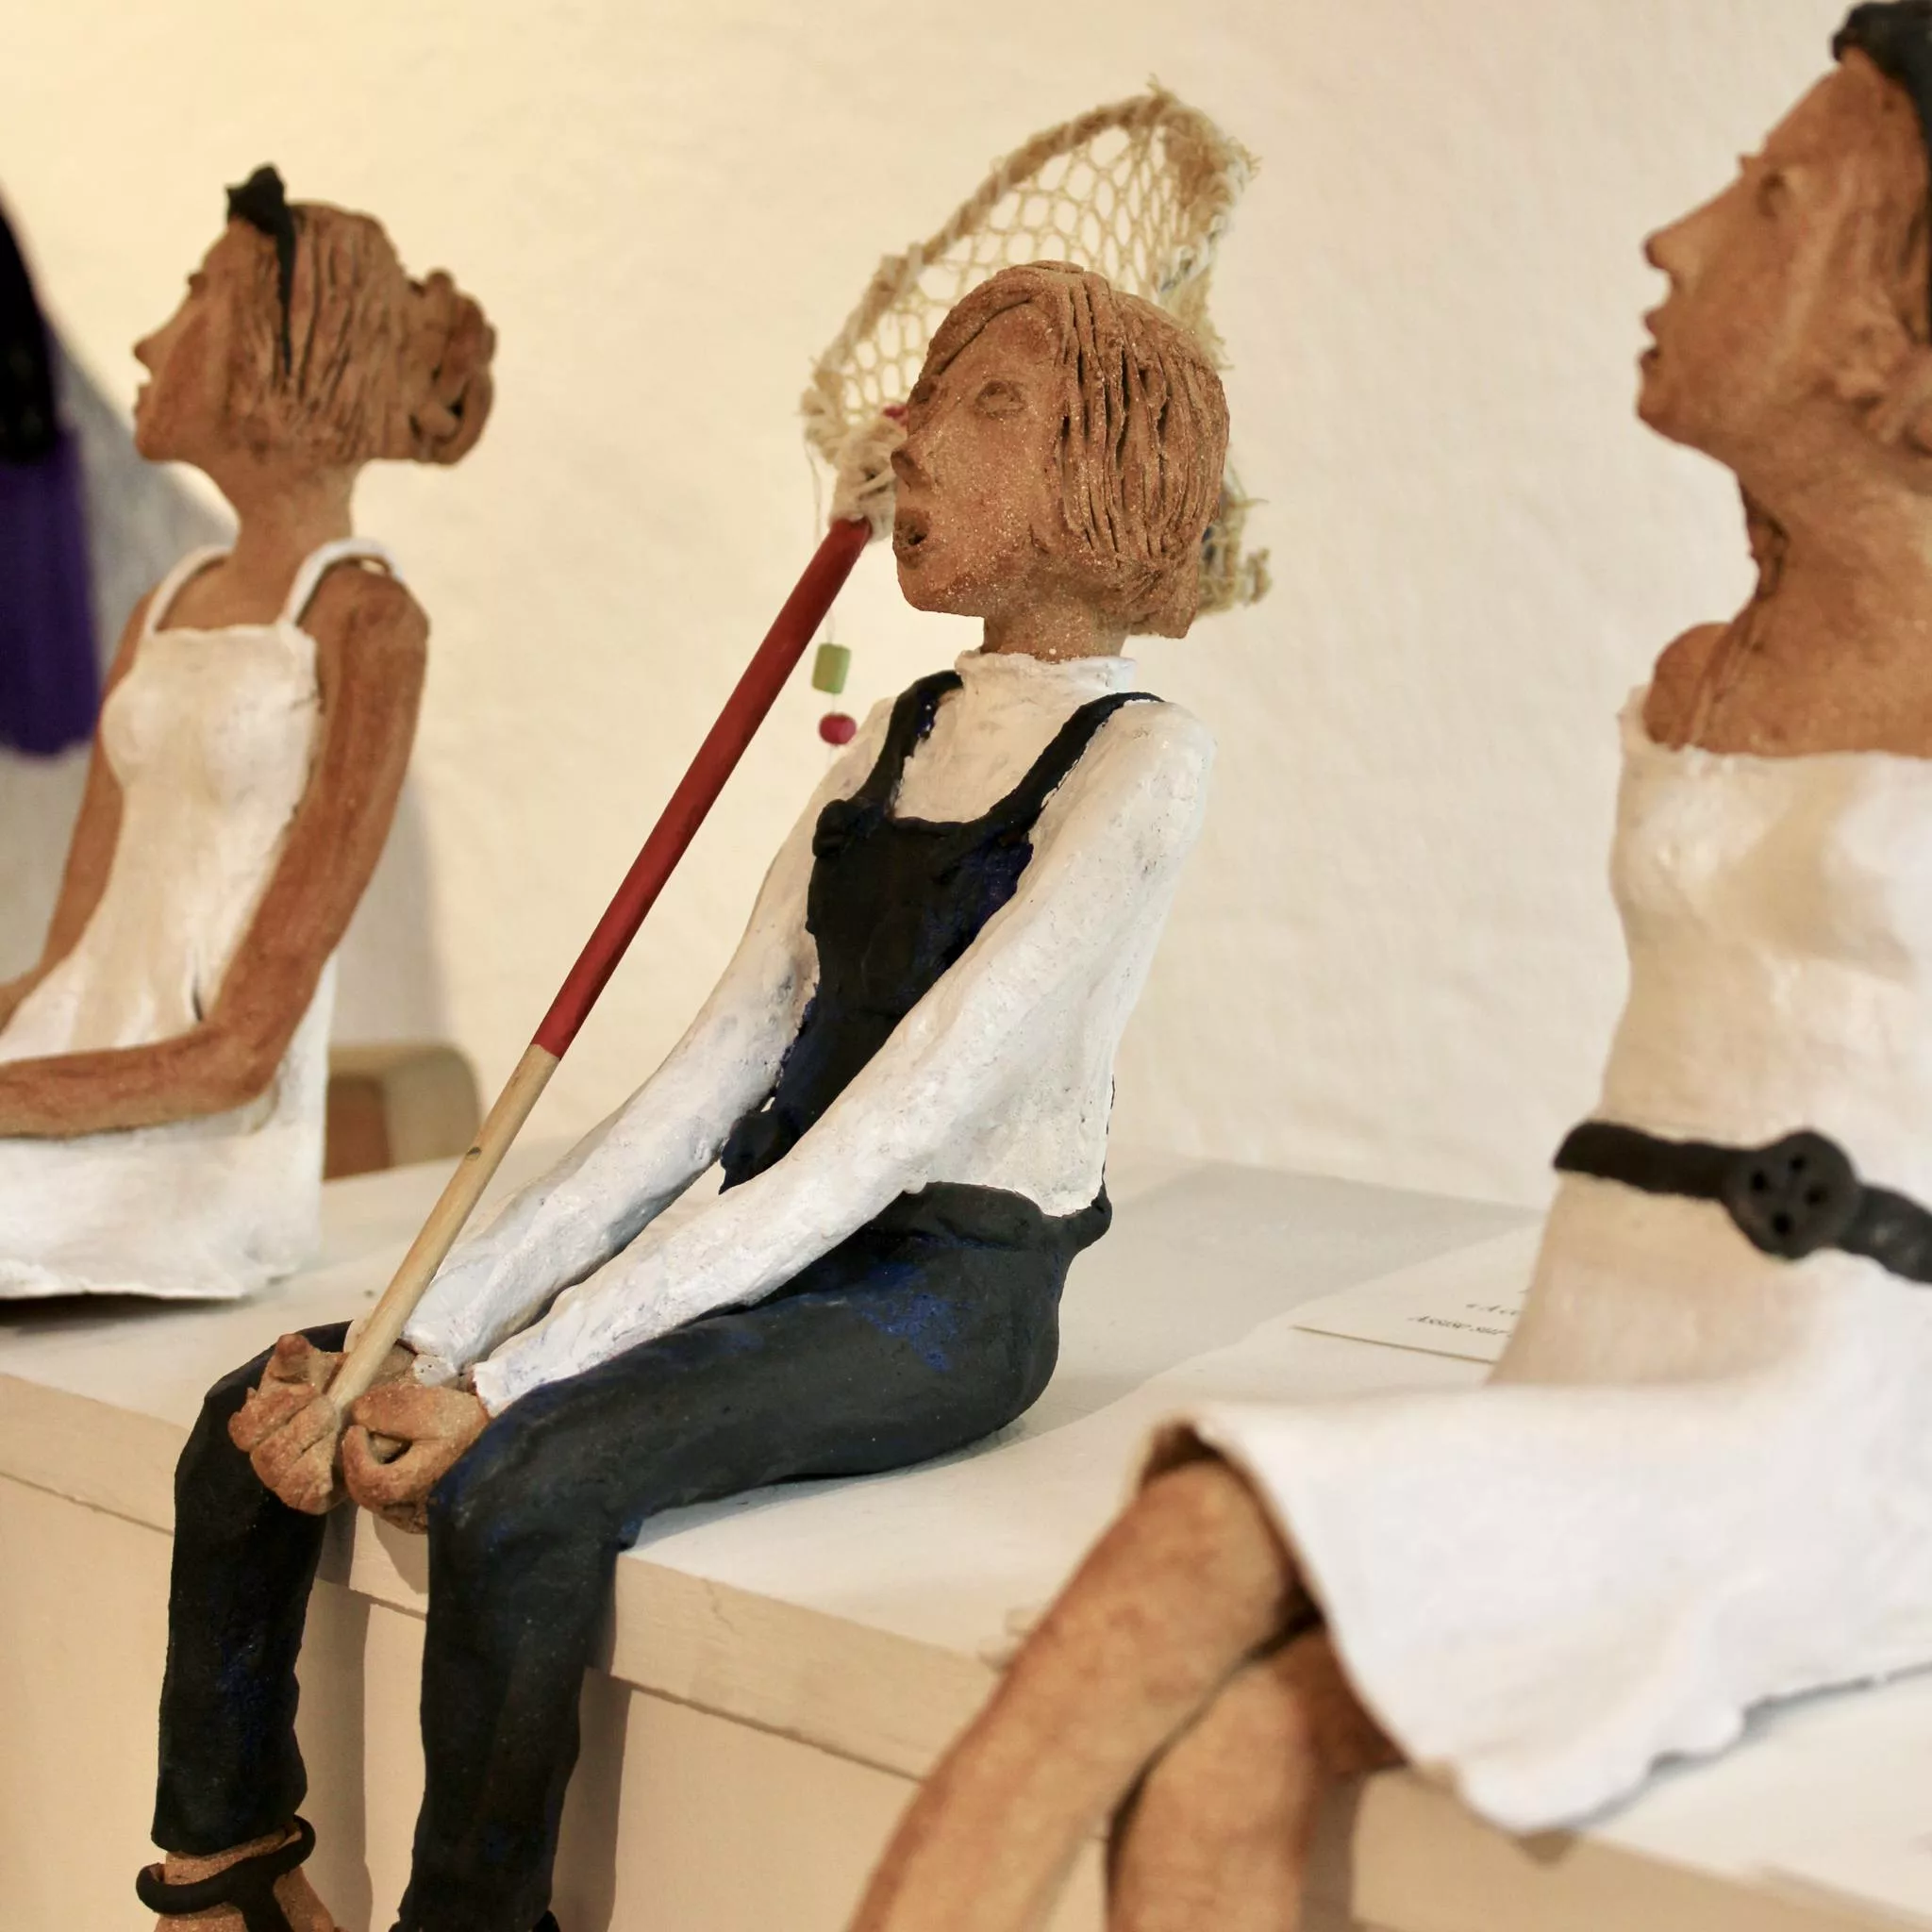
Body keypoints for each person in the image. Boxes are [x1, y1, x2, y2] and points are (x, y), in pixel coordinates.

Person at [849, 11, 1932, 1930]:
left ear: (1898, 313)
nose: (1673, 239)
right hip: (1597, 1340)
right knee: (1226, 1767)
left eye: (1772, 202)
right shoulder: (1704, 673)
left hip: (1822, 1402)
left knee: (1190, 1539)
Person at [140, 261, 1227, 1932]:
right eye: (929, 398)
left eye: (990, 406)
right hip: (776, 1243)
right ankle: (221, 1880)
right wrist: (424, 1331)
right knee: (262, 1401)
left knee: (522, 1488)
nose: (915, 439)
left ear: (1115, 467)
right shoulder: (894, 736)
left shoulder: (1139, 760)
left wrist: (506, 1381)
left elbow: (889, 1130)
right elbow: (704, 1086)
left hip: (940, 1291)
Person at [0, 165, 492, 1299]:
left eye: (197, 298)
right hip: (71, 1088)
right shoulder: (167, 605)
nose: (148, 343)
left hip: (198, 1150)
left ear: (292, 349)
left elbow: (242, 1050)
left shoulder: (364, 623)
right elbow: (71, 962)